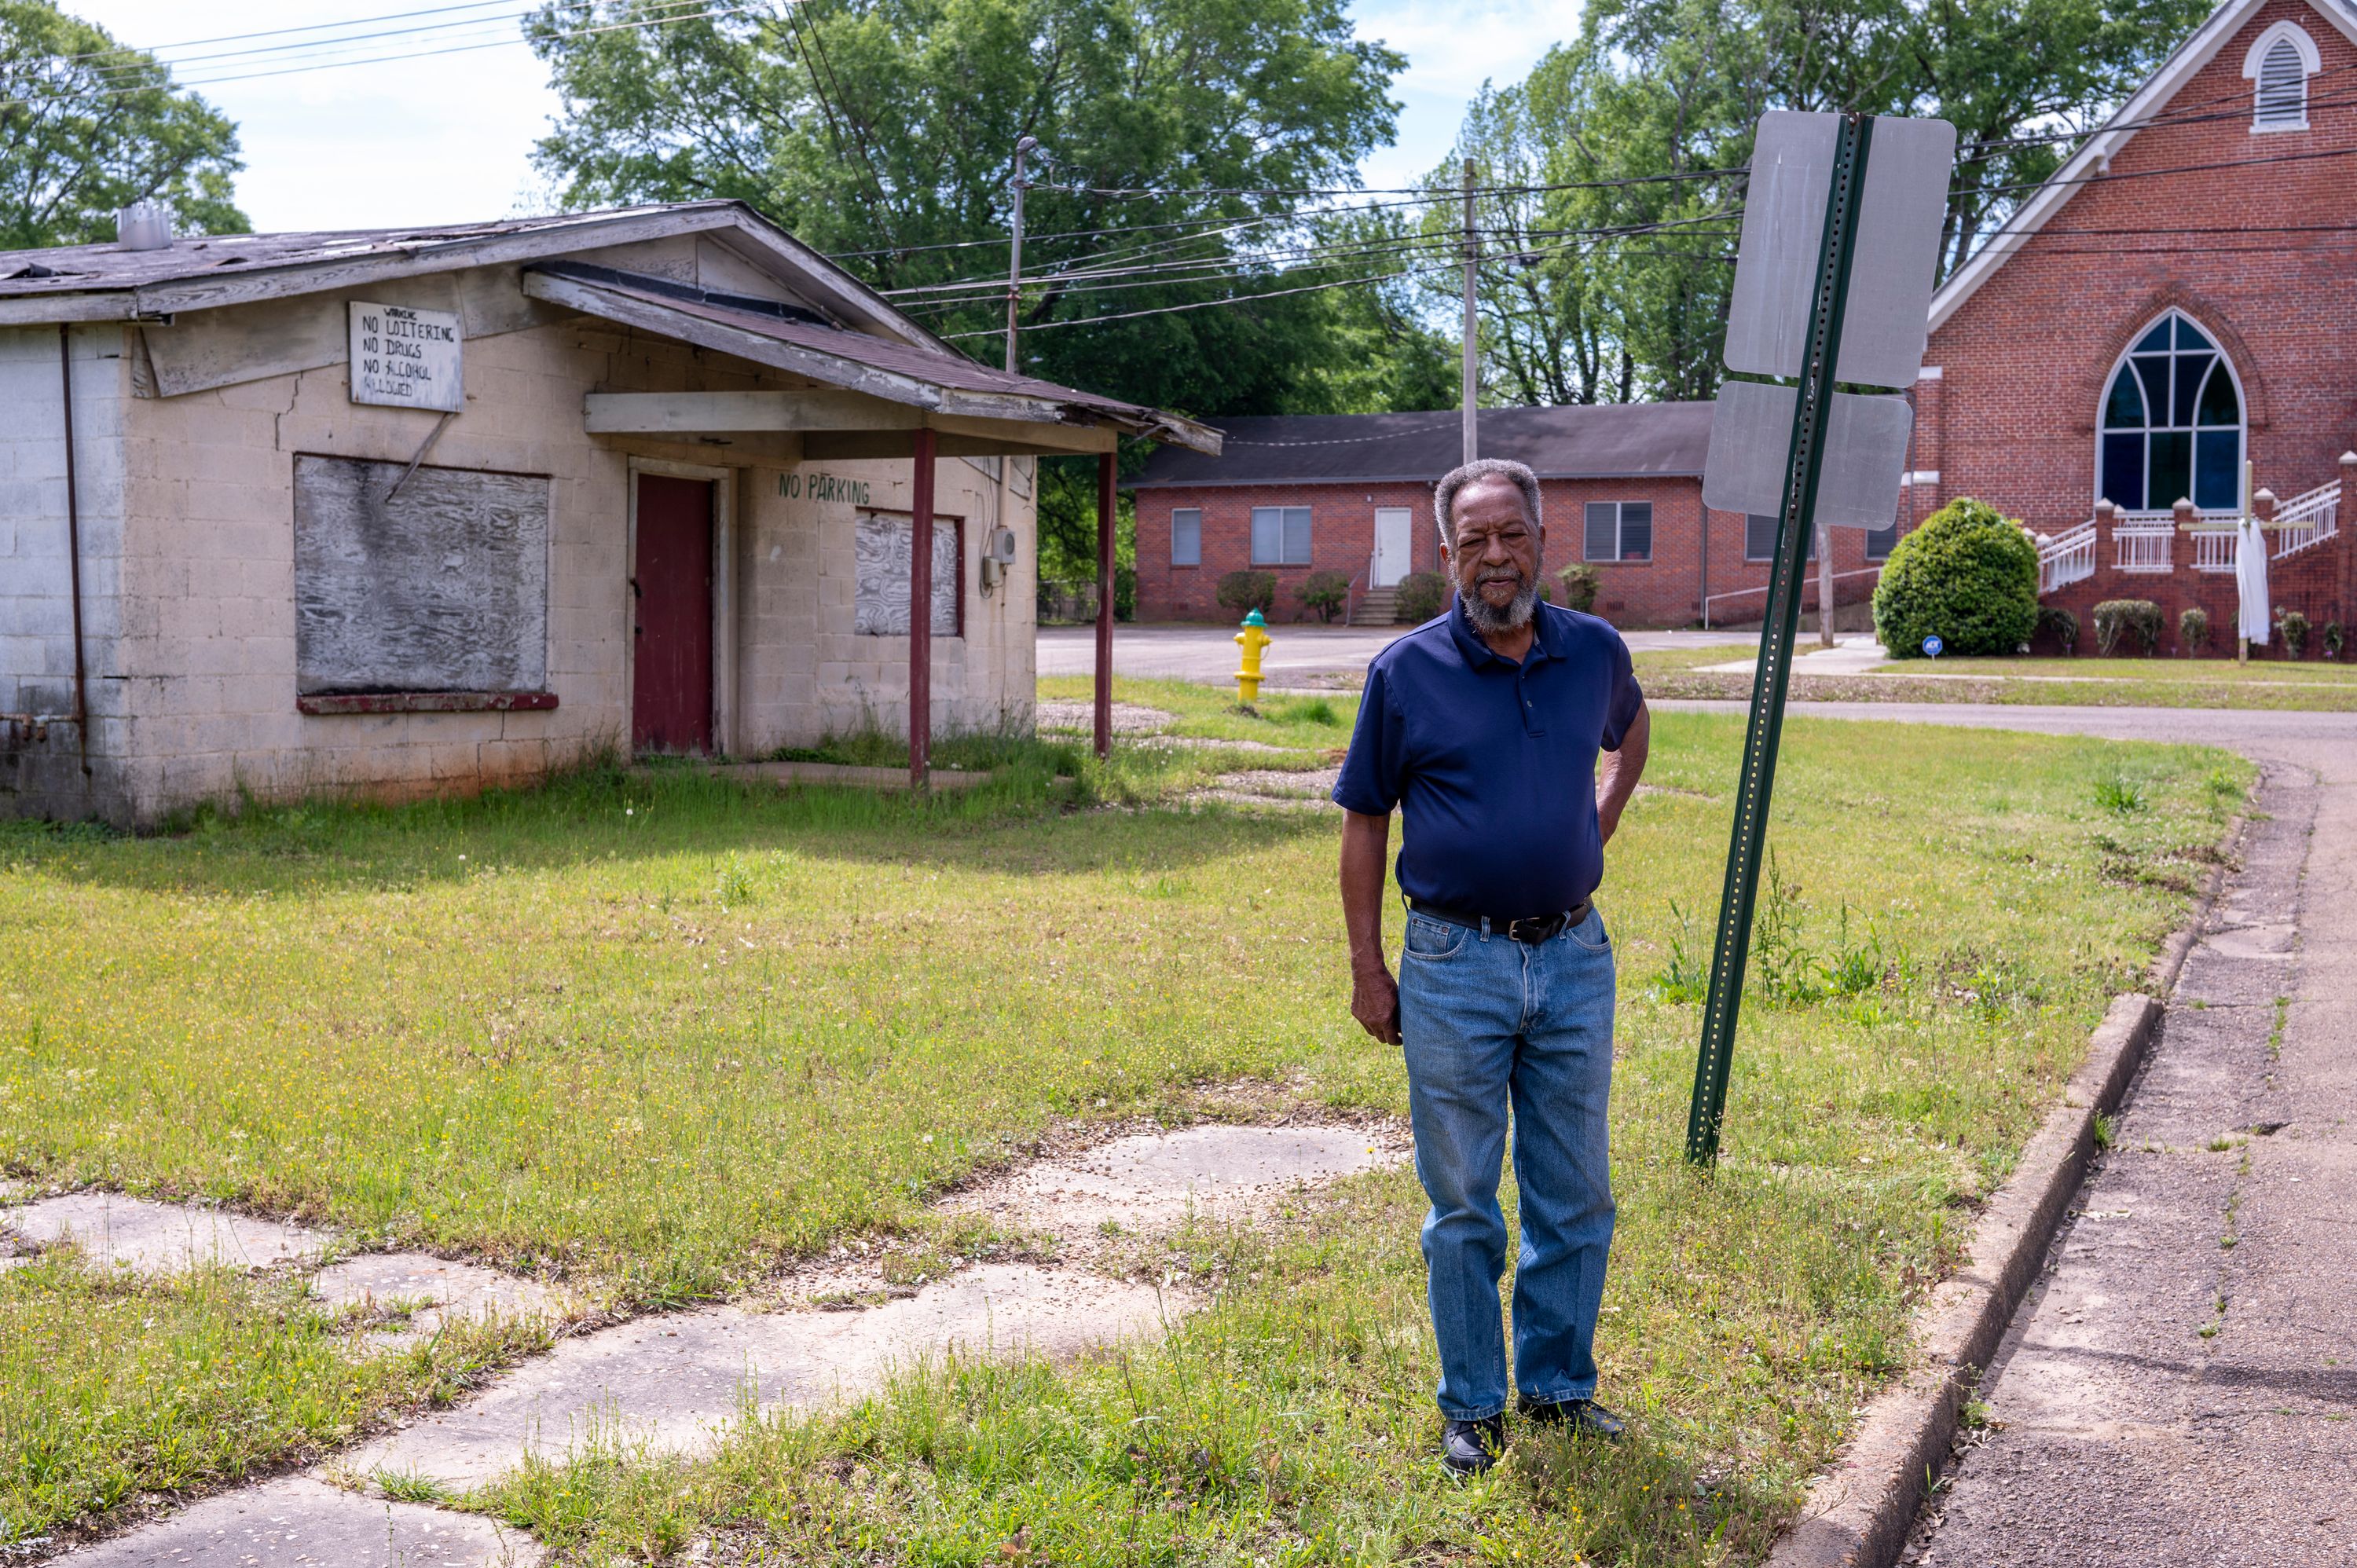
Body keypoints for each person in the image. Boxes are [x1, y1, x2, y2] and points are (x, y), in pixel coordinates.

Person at [1332, 457, 1650, 1477]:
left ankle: (1557, 1388)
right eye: (1475, 541)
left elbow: (1632, 732)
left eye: (1511, 534)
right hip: (1452, 964)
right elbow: (1364, 819)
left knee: (1576, 1194)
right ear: (1448, 556)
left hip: (1572, 960)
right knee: (1464, 1199)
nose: (1497, 556)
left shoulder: (1593, 652)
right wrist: (1367, 967)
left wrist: (1595, 829)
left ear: (1543, 540)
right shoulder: (1406, 672)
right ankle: (1473, 1405)